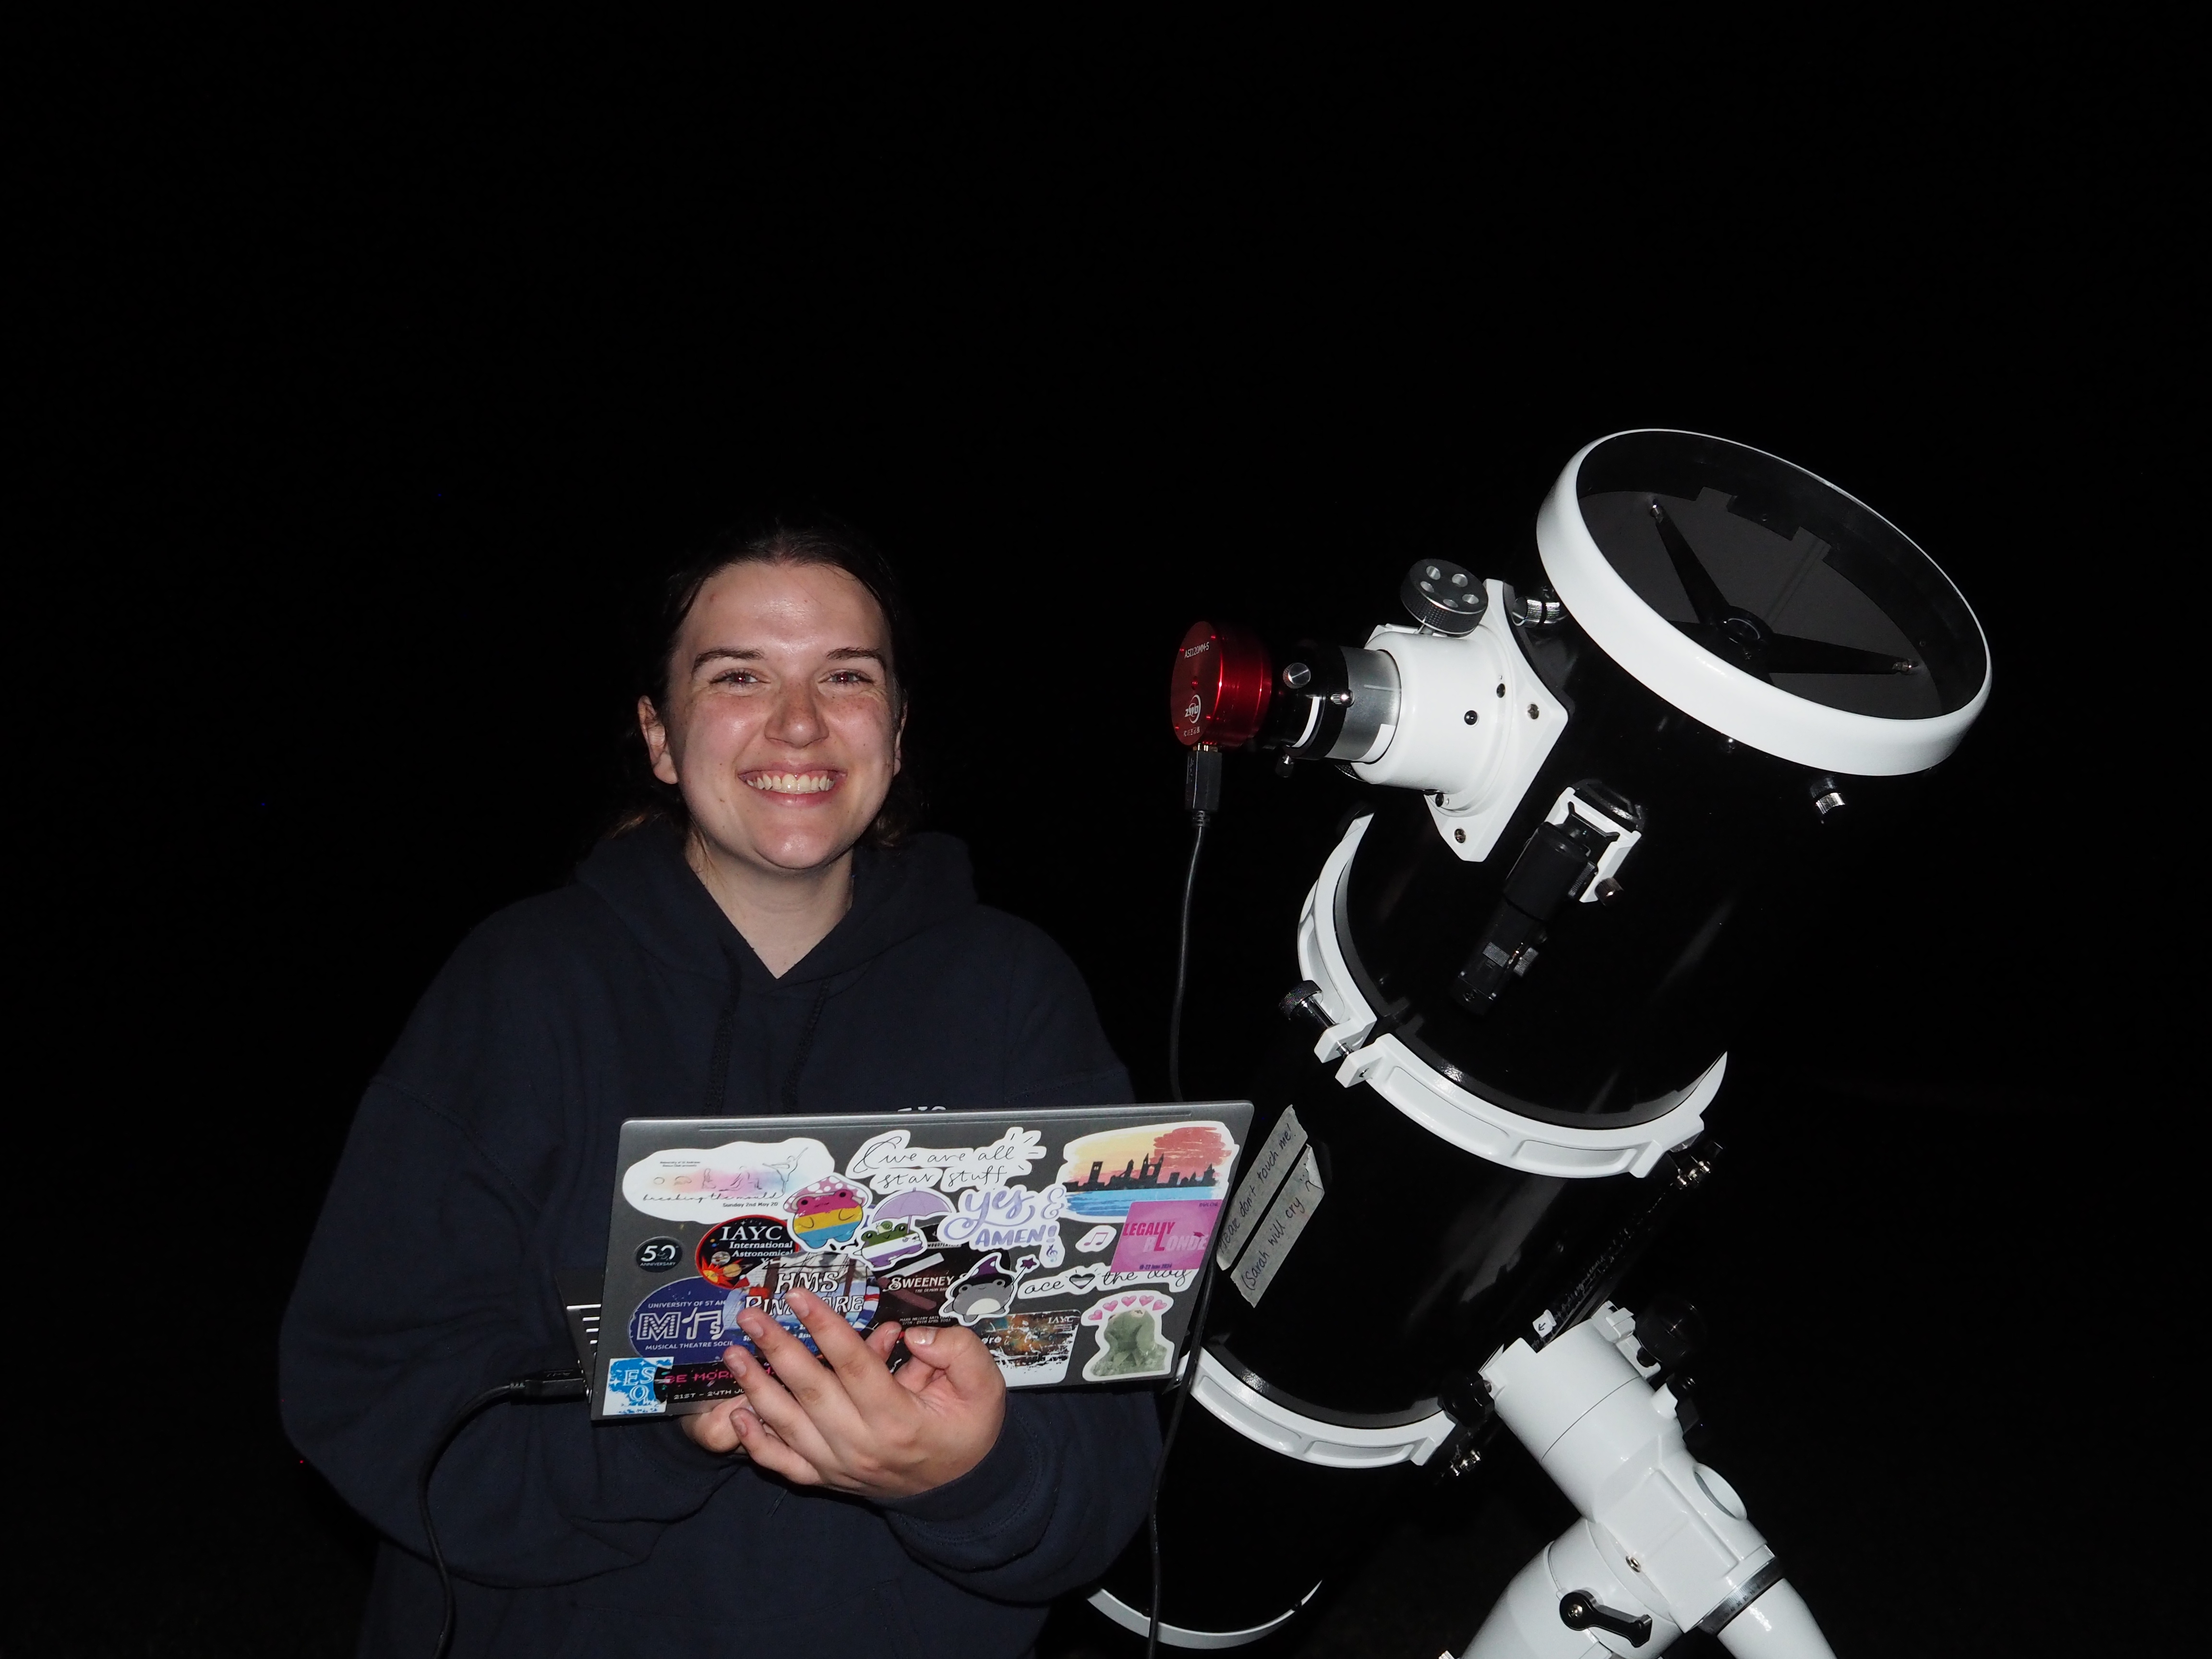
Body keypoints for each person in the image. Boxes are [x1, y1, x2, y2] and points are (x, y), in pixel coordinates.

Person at [281, 521, 1157, 1657]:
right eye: (738, 676)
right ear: (659, 733)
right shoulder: (523, 985)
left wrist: (969, 1474)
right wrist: (656, 1435)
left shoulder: (1016, 994)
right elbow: (371, 1394)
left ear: (895, 731)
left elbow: (1106, 1449)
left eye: (846, 677)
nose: (799, 722)